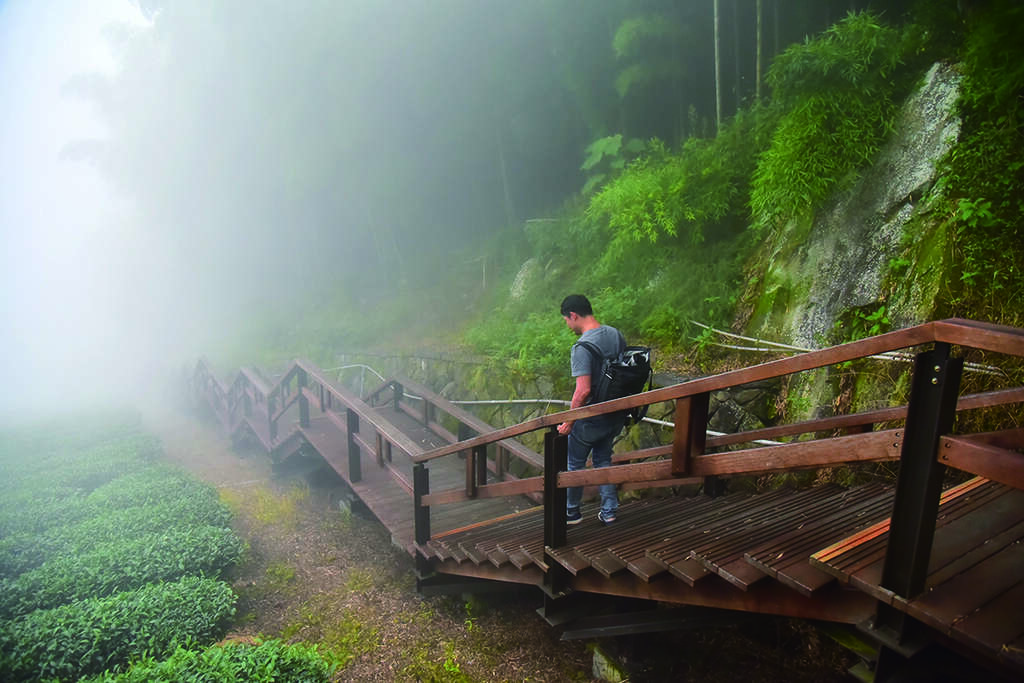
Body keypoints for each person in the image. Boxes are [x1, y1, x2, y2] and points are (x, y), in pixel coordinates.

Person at [557, 294, 626, 525]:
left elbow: (583, 391)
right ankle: (609, 512)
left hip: (591, 417)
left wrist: (569, 422)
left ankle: (571, 512)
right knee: (603, 460)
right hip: (615, 413)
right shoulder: (615, 334)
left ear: (573, 315)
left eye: (566, 320)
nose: (568, 325)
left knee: (575, 463)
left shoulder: (582, 347)